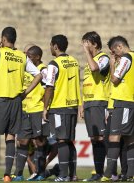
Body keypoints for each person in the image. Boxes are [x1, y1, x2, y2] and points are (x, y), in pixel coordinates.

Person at [0, 26, 42, 182]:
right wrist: (25, 92)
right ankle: (7, 175)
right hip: (16, 102)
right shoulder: (22, 56)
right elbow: (39, 75)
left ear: (3, 39)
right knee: (10, 136)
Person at [43, 34, 81, 182]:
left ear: (55, 46)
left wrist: (45, 107)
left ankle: (64, 175)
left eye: (50, 45)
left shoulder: (54, 64)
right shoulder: (74, 61)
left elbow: (50, 87)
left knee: (61, 140)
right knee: (69, 141)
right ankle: (73, 174)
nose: (50, 47)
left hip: (59, 106)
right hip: (72, 107)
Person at [12, 45, 48, 181]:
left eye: (28, 54)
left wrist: (46, 108)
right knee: (22, 141)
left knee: (39, 142)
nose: (25, 56)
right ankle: (19, 174)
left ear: (37, 57)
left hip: (37, 110)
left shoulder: (43, 70)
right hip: (24, 109)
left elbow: (49, 90)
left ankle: (41, 173)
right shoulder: (26, 68)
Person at [101, 36, 134, 182]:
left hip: (124, 102)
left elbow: (115, 79)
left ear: (120, 47)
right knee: (129, 139)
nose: (114, 55)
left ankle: (108, 174)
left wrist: (113, 64)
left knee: (114, 137)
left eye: (114, 52)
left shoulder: (126, 58)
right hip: (127, 102)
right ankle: (130, 173)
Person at [80, 31, 110, 182]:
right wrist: (82, 104)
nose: (84, 46)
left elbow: (95, 69)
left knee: (103, 138)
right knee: (94, 139)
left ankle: (110, 172)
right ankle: (98, 172)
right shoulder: (89, 61)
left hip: (100, 102)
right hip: (89, 103)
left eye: (87, 43)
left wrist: (86, 52)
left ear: (95, 44)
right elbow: (85, 84)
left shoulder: (103, 58)